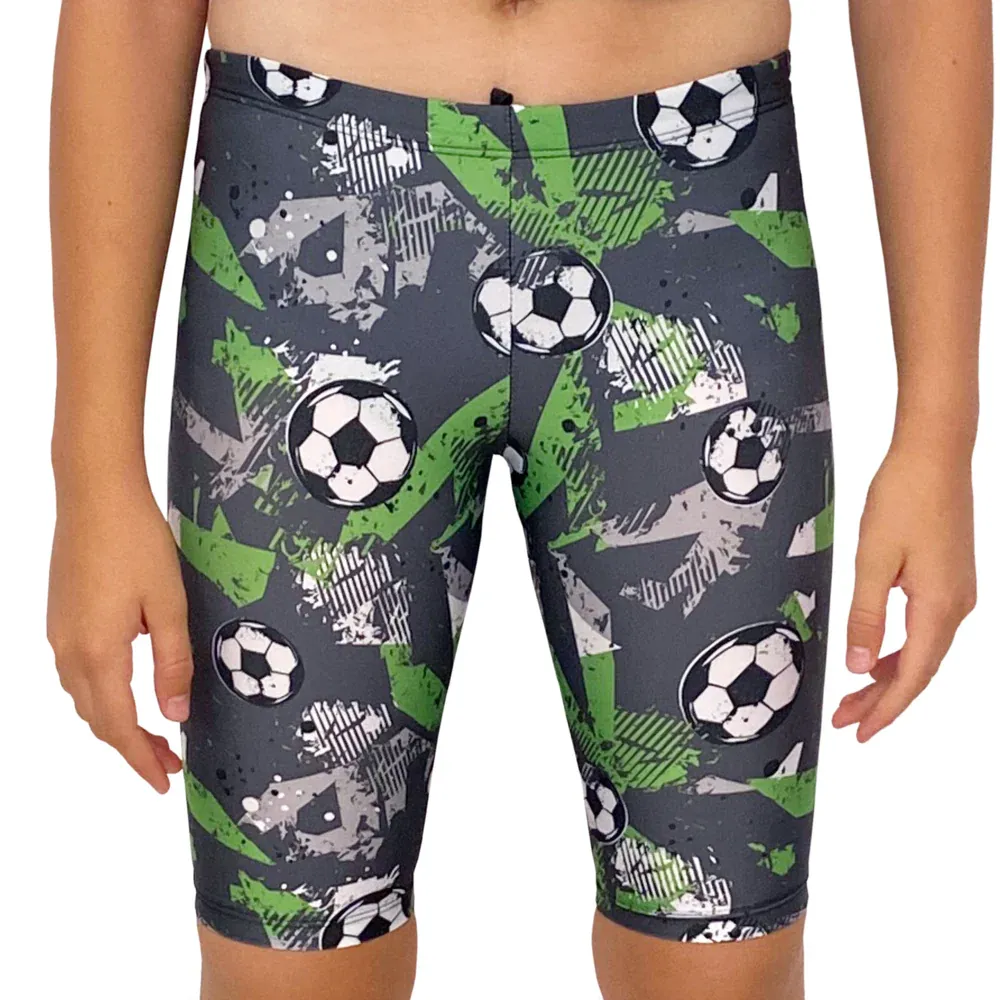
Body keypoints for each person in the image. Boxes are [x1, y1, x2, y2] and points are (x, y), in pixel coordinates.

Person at [46, 1, 988, 998]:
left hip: (691, 209)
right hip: (313, 193)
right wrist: (91, 472)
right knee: (287, 968)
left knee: (724, 963)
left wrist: (940, 432)